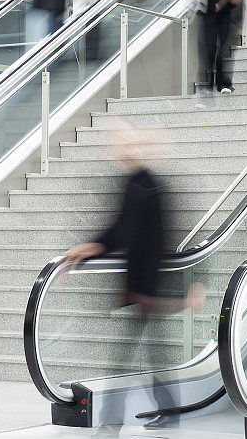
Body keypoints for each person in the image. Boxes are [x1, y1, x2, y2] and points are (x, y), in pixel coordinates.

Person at [63, 123, 205, 429]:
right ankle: (165, 411)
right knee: (152, 354)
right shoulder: (145, 182)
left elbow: (125, 229)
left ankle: (112, 421)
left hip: (145, 283)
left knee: (126, 358)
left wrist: (95, 245)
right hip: (145, 282)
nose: (118, 150)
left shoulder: (140, 183)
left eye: (123, 144)